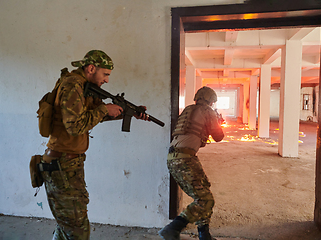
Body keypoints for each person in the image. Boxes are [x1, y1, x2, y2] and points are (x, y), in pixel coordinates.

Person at [39, 50, 148, 240]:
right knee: (77, 230)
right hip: (62, 164)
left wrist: (126, 113)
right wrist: (104, 109)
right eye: (105, 74)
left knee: (68, 226)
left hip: (68, 163)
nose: (106, 80)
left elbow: (90, 118)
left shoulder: (83, 86)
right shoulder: (73, 85)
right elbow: (75, 126)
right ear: (91, 68)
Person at [159, 86, 224, 240]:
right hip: (184, 159)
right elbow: (218, 136)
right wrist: (217, 121)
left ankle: (204, 234)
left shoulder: (188, 109)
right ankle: (173, 228)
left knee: (205, 189)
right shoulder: (208, 111)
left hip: (176, 157)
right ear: (210, 101)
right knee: (205, 199)